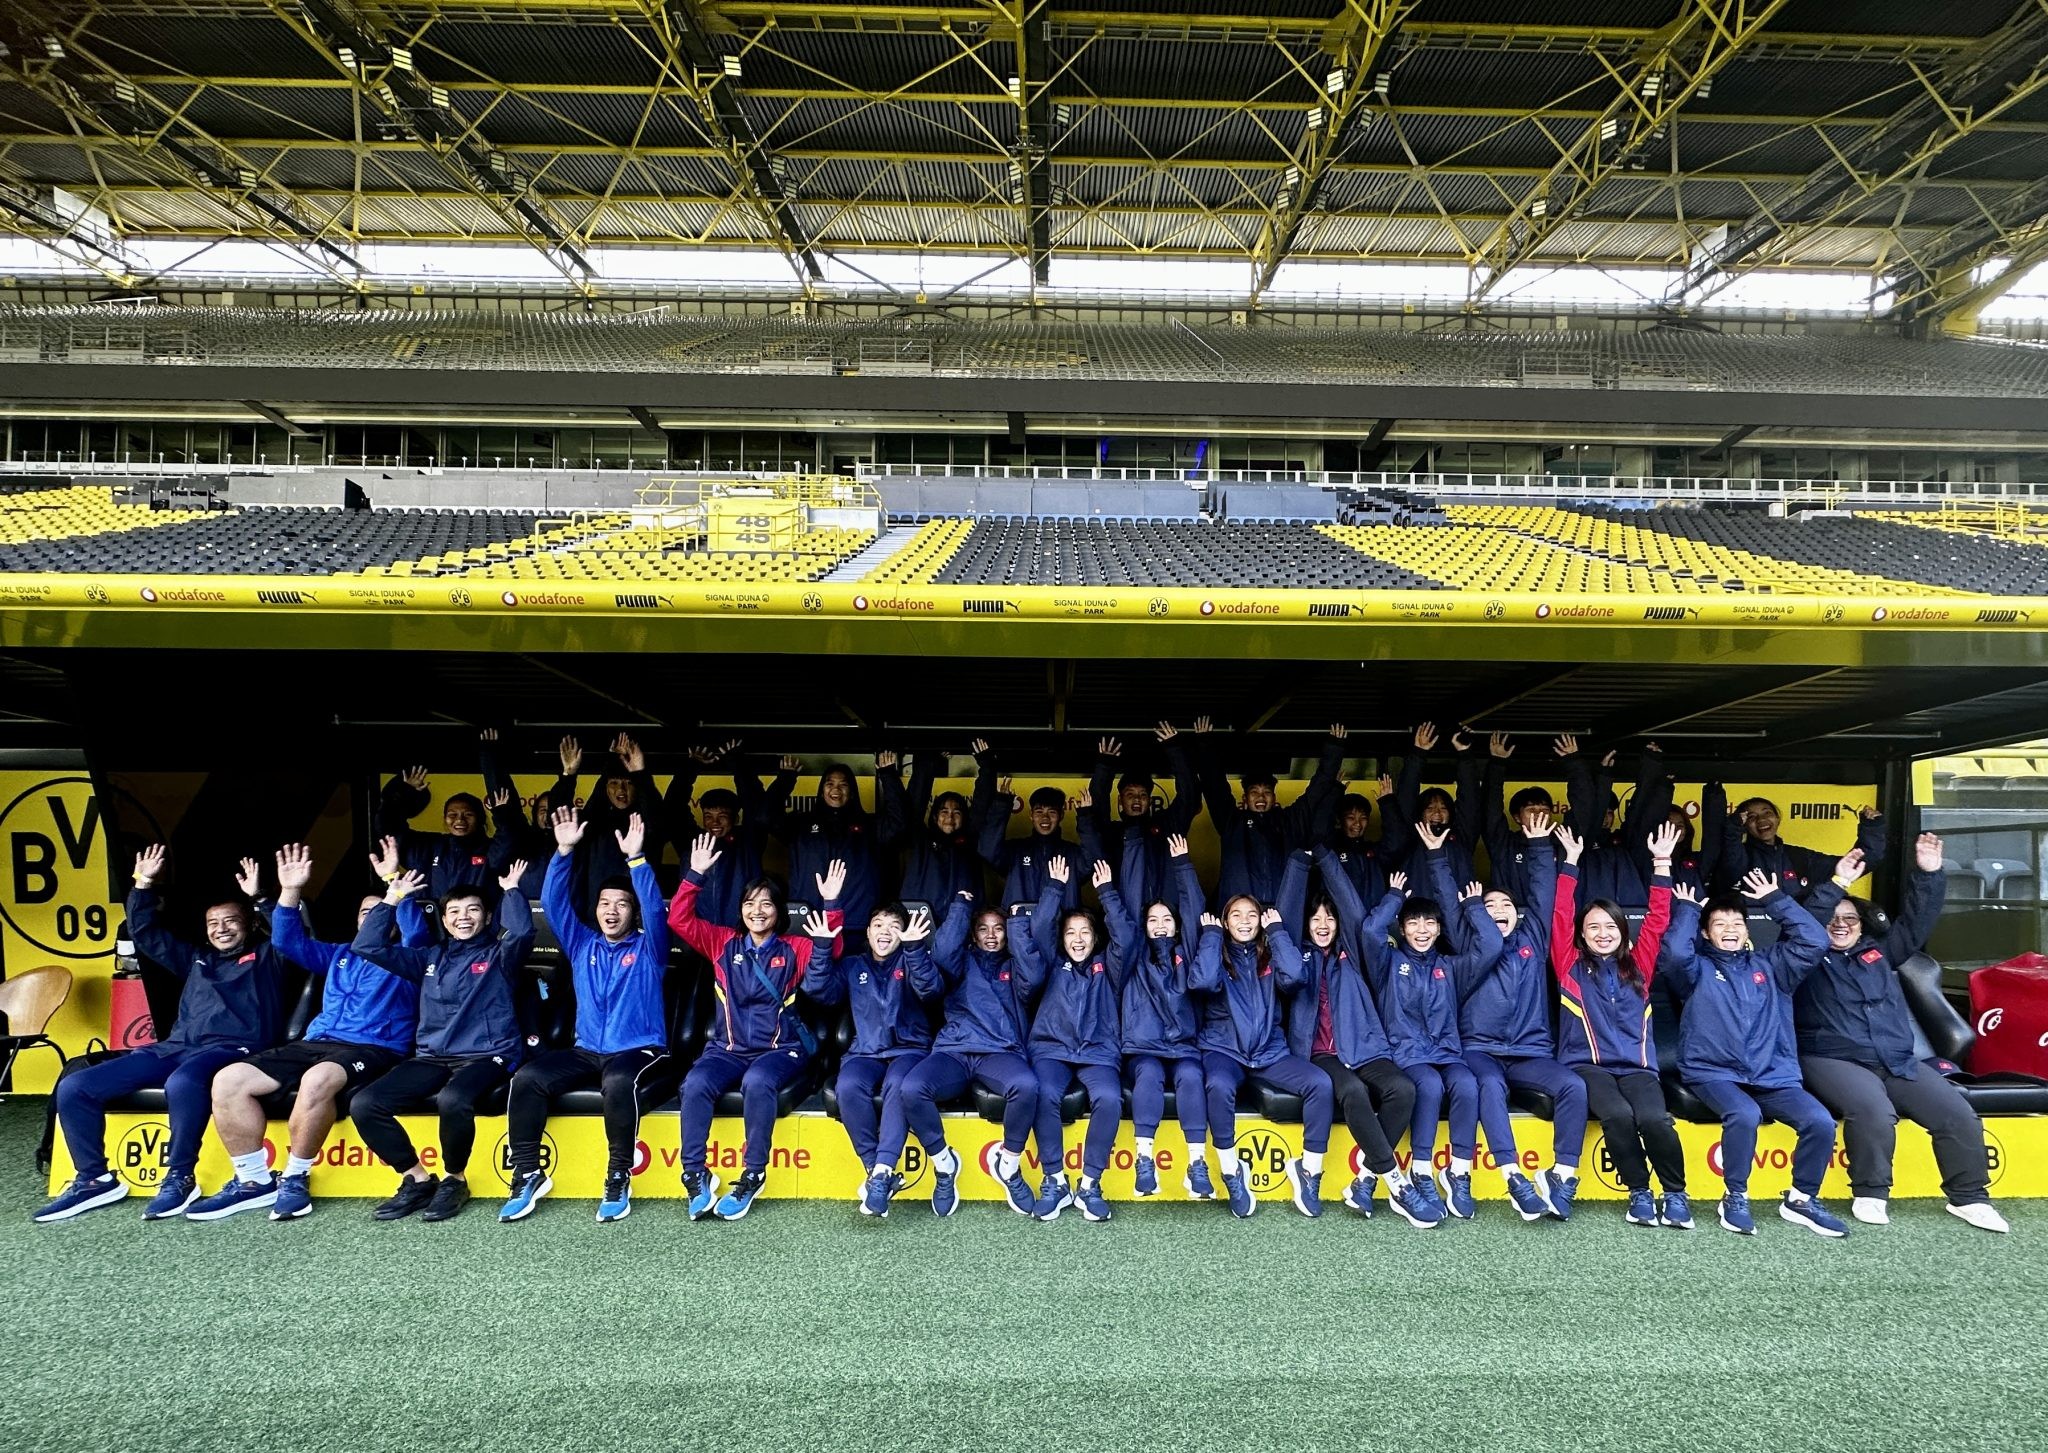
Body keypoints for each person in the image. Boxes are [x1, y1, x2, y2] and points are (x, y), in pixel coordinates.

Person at [36, 845, 291, 1223]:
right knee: (76, 1086)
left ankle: (179, 1176)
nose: (220, 929)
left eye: (230, 921)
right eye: (213, 924)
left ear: (250, 924)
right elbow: (145, 933)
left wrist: (261, 898)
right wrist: (143, 885)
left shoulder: (270, 955)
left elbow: (292, 937)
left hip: (237, 1049)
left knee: (184, 1081)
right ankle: (94, 1180)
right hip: (177, 1047)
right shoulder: (195, 959)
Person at [184, 841, 429, 1222]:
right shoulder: (338, 953)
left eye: (381, 911)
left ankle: (295, 1178)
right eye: (367, 912)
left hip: (374, 1048)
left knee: (317, 1080)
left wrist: (395, 888)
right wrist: (290, 893)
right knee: (229, 1080)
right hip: (317, 1042)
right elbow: (287, 941)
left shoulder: (412, 955)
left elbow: (414, 929)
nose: (374, 916)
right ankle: (253, 1182)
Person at [1800, 834, 2007, 1233]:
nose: (1840, 925)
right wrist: (1838, 884)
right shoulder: (1805, 955)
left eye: (1850, 920)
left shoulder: (1879, 953)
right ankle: (1871, 1192)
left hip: (1894, 1058)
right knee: (1875, 1112)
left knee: (1957, 1113)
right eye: (1832, 920)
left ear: (1862, 926)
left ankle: (1970, 1198)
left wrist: (1929, 875)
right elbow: (1807, 924)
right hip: (1831, 1057)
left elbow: (1916, 923)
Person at [499, 808, 670, 1224]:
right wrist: (563, 851)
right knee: (527, 1079)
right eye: (605, 904)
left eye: (622, 905)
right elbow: (555, 905)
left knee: (617, 1080)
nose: (612, 911)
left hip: (641, 1050)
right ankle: (527, 1173)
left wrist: (637, 860)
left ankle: (617, 1175)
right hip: (587, 1049)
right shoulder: (582, 944)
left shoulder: (650, 949)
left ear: (634, 913)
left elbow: (655, 911)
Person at [344, 856, 535, 1224]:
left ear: (487, 916)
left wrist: (511, 892)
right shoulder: (429, 957)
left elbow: (523, 933)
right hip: (432, 1057)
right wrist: (391, 900)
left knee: (454, 1098)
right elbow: (367, 947)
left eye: (473, 910)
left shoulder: (500, 955)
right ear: (444, 920)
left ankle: (454, 1179)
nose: (464, 917)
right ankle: (415, 1178)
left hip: (489, 1055)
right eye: (454, 911)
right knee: (365, 1102)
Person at [668, 834, 843, 1221]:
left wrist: (831, 904)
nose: (757, 911)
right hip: (728, 1049)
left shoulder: (794, 947)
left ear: (779, 912)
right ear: (741, 910)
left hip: (780, 1050)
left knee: (759, 1082)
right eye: (750, 903)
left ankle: (753, 1172)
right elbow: (678, 919)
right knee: (694, 1084)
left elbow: (830, 949)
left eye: (766, 904)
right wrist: (695, 874)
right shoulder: (722, 943)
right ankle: (695, 1174)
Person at [1662, 867, 1843, 1237]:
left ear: (1747, 930)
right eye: (1719, 923)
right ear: (1706, 932)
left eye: (1737, 922)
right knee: (1744, 1113)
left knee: (1820, 1121)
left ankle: (1801, 1199)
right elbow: (1675, 955)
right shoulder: (1698, 969)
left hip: (1772, 1073)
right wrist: (1687, 910)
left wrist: (1775, 900)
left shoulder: (1773, 965)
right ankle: (1735, 1197)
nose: (1730, 929)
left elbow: (1814, 941)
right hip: (1712, 1072)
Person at [1427, 808, 1584, 1221]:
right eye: (1488, 903)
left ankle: (1563, 1175)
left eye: (1505, 903)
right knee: (1489, 1087)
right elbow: (1447, 899)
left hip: (1531, 1051)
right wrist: (1436, 858)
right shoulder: (1468, 941)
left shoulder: (1533, 935)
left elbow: (1542, 893)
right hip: (1480, 1049)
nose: (1497, 908)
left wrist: (1537, 846)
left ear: (1518, 913)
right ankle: (1513, 1175)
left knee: (1573, 1087)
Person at [1277, 845, 1436, 1228]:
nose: (1323, 924)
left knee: (1404, 1089)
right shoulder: (1294, 954)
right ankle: (1397, 1184)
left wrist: (1329, 860)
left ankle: (1365, 1179)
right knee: (1352, 1091)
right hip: (1319, 1054)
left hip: (1364, 1046)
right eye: (1315, 918)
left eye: (1329, 918)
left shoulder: (1353, 952)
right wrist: (1300, 860)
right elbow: (1283, 919)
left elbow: (1354, 913)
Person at [1357, 823, 1504, 1221]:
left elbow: (1491, 945)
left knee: (1467, 1083)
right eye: (1414, 923)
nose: (1422, 930)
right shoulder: (1388, 962)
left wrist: (1474, 907)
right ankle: (1421, 1171)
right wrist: (1392, 898)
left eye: (1430, 924)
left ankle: (1459, 1173)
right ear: (1402, 929)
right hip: (1406, 1054)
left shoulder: (1451, 967)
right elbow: (1370, 930)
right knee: (1429, 1082)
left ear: (1440, 929)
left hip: (1446, 1051)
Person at [1551, 824, 1691, 1229]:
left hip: (1636, 1067)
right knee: (1616, 1115)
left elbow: (1659, 918)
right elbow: (1561, 914)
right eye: (1593, 927)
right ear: (1581, 934)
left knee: (1654, 1119)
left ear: (1622, 933)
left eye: (1610, 927)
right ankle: (1639, 1192)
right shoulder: (1569, 965)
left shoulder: (1640, 964)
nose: (1602, 933)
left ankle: (1676, 1194)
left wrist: (1662, 862)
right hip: (1587, 1067)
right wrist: (1571, 864)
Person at [1186, 892, 1333, 1219]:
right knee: (1219, 1086)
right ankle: (1230, 1170)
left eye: (1251, 915)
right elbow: (1202, 983)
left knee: (1320, 1084)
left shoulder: (1269, 956)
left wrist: (1278, 932)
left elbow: (1297, 977)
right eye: (1236, 915)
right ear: (1225, 922)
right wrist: (1211, 938)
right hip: (1225, 1051)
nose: (1244, 921)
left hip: (1269, 1053)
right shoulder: (1217, 955)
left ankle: (1309, 1170)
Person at [895, 893, 1042, 1217]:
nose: (991, 935)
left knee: (1027, 1086)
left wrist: (1018, 924)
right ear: (973, 934)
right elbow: (943, 952)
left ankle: (1010, 1165)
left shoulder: (1016, 965)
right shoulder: (961, 960)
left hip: (999, 1051)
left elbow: (1034, 978)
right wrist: (960, 907)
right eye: (983, 929)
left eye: (999, 928)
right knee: (911, 1088)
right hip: (955, 1050)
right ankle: (944, 1165)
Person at [802, 898, 938, 1219]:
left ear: (904, 933)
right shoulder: (853, 965)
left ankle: (883, 1169)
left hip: (909, 1049)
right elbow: (818, 990)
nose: (885, 932)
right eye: (879, 925)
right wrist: (822, 946)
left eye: (894, 926)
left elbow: (930, 990)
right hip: (865, 1051)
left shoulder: (914, 959)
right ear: (867, 931)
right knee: (846, 1086)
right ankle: (876, 1171)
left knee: (896, 1085)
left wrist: (915, 950)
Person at [1012, 857, 1129, 1222]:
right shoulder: (1051, 963)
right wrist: (1053, 889)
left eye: (1085, 933)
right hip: (1052, 1048)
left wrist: (1107, 893)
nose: (1077, 939)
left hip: (1098, 1052)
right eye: (1070, 933)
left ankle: (1090, 1183)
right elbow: (1040, 929)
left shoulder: (1107, 967)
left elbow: (1125, 937)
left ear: (1095, 938)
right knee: (1044, 1093)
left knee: (1110, 1098)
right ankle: (1055, 1180)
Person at [1102, 830, 1212, 1200]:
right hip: (1143, 1048)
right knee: (1148, 1075)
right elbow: (1125, 920)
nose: (1160, 925)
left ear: (1177, 925)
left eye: (1167, 919)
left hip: (1182, 1048)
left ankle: (1197, 1164)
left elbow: (1195, 908)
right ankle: (1143, 1161)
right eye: (1153, 920)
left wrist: (1183, 865)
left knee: (1192, 1075)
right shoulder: (1132, 958)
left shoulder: (1187, 953)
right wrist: (1107, 891)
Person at [1200, 723, 1348, 904]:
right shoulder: (1232, 822)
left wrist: (1334, 748)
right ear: (1245, 799)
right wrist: (1206, 744)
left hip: (1283, 914)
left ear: (1274, 797)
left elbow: (1316, 791)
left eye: (1266, 792)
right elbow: (1215, 788)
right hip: (1240, 917)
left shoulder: (1291, 821)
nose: (1261, 797)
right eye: (1254, 792)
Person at [663, 738, 786, 927]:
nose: (715, 822)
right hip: (699, 936)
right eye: (708, 816)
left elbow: (753, 804)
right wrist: (690, 767)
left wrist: (738, 764)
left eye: (722, 816)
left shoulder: (748, 842)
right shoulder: (692, 842)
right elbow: (673, 808)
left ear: (735, 818)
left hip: (741, 935)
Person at [1084, 722, 1206, 908]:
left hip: (1166, 920)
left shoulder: (1168, 827)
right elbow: (1097, 807)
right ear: (1120, 801)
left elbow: (1188, 796)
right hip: (1126, 921)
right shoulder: (1112, 833)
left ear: (1150, 800)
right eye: (1130, 794)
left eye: (1142, 795)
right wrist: (1105, 768)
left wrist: (1175, 749)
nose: (1136, 800)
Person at [765, 760, 883, 944]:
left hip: (855, 925)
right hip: (808, 922)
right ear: (821, 790)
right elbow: (764, 817)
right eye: (830, 784)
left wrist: (889, 775)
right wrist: (785, 779)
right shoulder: (800, 824)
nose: (836, 789)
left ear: (852, 792)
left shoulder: (869, 826)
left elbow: (901, 823)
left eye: (843, 785)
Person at [556, 734, 667, 915]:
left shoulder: (647, 823)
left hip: (639, 920)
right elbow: (560, 816)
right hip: (595, 920)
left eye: (628, 783)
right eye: (614, 783)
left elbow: (657, 817)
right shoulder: (593, 824)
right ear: (605, 788)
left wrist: (640, 773)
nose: (621, 790)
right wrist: (568, 775)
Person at [376, 761, 517, 900]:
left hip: (478, 922)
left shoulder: (491, 849)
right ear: (445, 818)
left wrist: (502, 813)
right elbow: (390, 829)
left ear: (480, 818)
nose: (459, 820)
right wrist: (404, 793)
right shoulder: (431, 846)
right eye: (452, 815)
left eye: (468, 815)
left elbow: (509, 838)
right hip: (431, 921)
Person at [881, 748, 996, 908]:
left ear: (964, 818)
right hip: (920, 924)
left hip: (961, 923)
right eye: (944, 811)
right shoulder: (920, 839)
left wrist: (987, 765)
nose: (950, 817)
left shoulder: (970, 841)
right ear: (935, 817)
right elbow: (914, 805)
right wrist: (927, 763)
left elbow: (981, 805)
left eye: (957, 812)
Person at [977, 738, 1083, 912]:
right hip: (1020, 931)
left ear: (1061, 815)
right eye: (1039, 812)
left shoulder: (1072, 853)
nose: (1045, 818)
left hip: (1062, 934)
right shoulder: (1016, 850)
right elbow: (987, 850)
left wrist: (1086, 816)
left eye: (1052, 812)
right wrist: (1001, 805)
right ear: (1030, 815)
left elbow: (1096, 857)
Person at [1717, 795, 1885, 904]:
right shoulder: (1737, 856)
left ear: (1777, 818)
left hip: (1797, 941)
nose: (1761, 819)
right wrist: (1733, 828)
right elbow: (1732, 866)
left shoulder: (1799, 857)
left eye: (1767, 813)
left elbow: (1862, 862)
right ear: (1744, 825)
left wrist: (1872, 827)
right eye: (1751, 817)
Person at [1381, 723, 1482, 883]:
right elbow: (1407, 797)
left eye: (1443, 808)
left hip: (1456, 908)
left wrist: (1465, 755)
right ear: (1420, 813)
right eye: (1430, 808)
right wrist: (1417, 754)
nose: (1437, 813)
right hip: (1414, 907)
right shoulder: (1411, 836)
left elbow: (1469, 801)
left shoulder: (1461, 838)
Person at [1321, 776, 1395, 909]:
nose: (1357, 823)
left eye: (1363, 818)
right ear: (1339, 820)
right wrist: (1334, 792)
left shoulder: (1374, 851)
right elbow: (1321, 826)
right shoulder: (1329, 850)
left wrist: (1387, 803)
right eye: (1350, 818)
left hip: (1372, 923)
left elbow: (1397, 840)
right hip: (1338, 924)